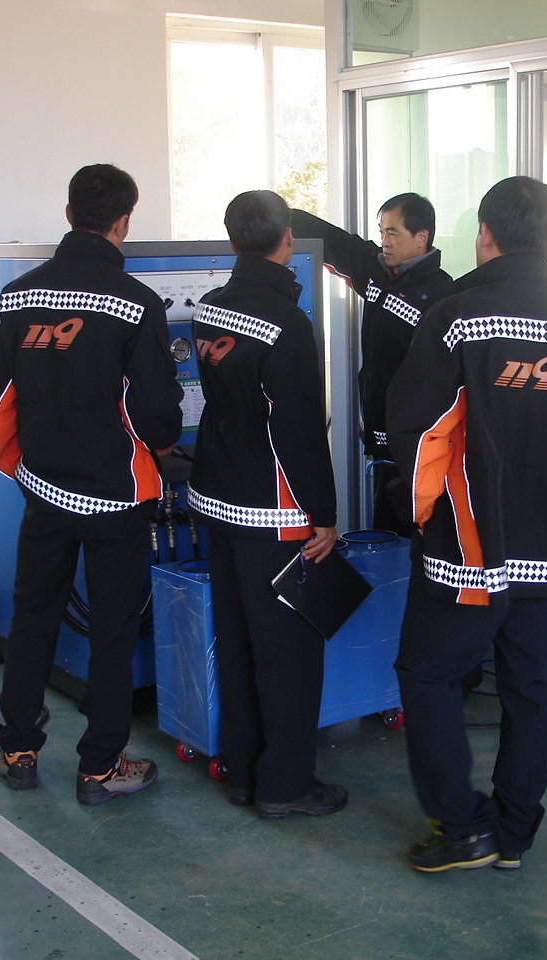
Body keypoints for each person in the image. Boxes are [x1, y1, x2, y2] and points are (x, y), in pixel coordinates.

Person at [386, 176, 547, 871]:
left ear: (484, 235)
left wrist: (424, 516)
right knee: (527, 685)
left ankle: (463, 826)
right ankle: (514, 832)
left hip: (468, 551)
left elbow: (418, 435)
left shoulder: (454, 318)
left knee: (427, 674)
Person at [0, 163, 183, 806]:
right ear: (123, 222)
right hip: (117, 498)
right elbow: (157, 410)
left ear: (69, 215)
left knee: (33, 618)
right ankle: (99, 767)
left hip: (45, 493)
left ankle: (18, 750)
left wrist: (27, 471)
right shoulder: (137, 304)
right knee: (113, 630)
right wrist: (159, 443)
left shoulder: (14, 298)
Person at [187, 190, 346, 819]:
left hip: (218, 501)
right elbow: (298, 430)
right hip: (276, 511)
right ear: (287, 240)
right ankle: (286, 785)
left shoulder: (209, 308)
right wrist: (324, 514)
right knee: (288, 654)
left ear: (232, 242)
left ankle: (246, 773)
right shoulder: (287, 324)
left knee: (238, 644)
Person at [291, 194, 453, 536]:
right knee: (385, 529)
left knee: (417, 531)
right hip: (380, 438)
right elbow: (336, 243)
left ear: (421, 237)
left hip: (418, 445)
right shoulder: (378, 272)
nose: (384, 242)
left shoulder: (443, 297)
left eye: (393, 233)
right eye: (381, 232)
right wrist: (281, 215)